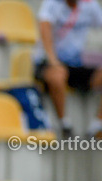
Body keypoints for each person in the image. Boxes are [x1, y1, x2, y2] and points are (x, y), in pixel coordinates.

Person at [33, 0, 102, 139]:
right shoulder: (52, 4)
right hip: (48, 61)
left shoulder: (90, 5)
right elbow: (44, 29)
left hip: (75, 64)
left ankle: (97, 126)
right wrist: (53, 61)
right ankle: (64, 125)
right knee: (58, 74)